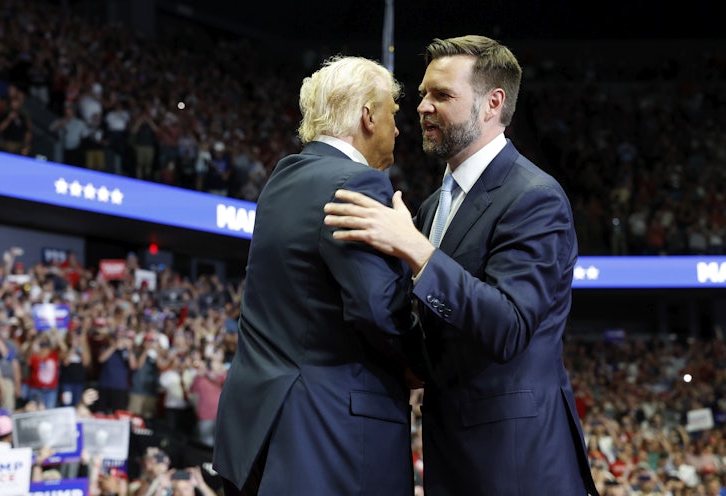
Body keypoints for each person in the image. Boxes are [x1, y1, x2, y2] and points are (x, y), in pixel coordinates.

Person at [323, 35, 599, 496]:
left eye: (443, 95)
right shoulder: (433, 207)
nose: (422, 107)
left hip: (516, 465)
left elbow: (509, 326)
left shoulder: (536, 198)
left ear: (493, 103)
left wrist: (418, 252)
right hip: (455, 456)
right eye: (424, 93)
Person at [212, 55, 425, 496]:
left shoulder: (283, 178)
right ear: (368, 116)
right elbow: (376, 308)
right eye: (392, 114)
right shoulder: (359, 183)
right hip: (329, 437)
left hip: (262, 429)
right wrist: (426, 364)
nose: (399, 129)